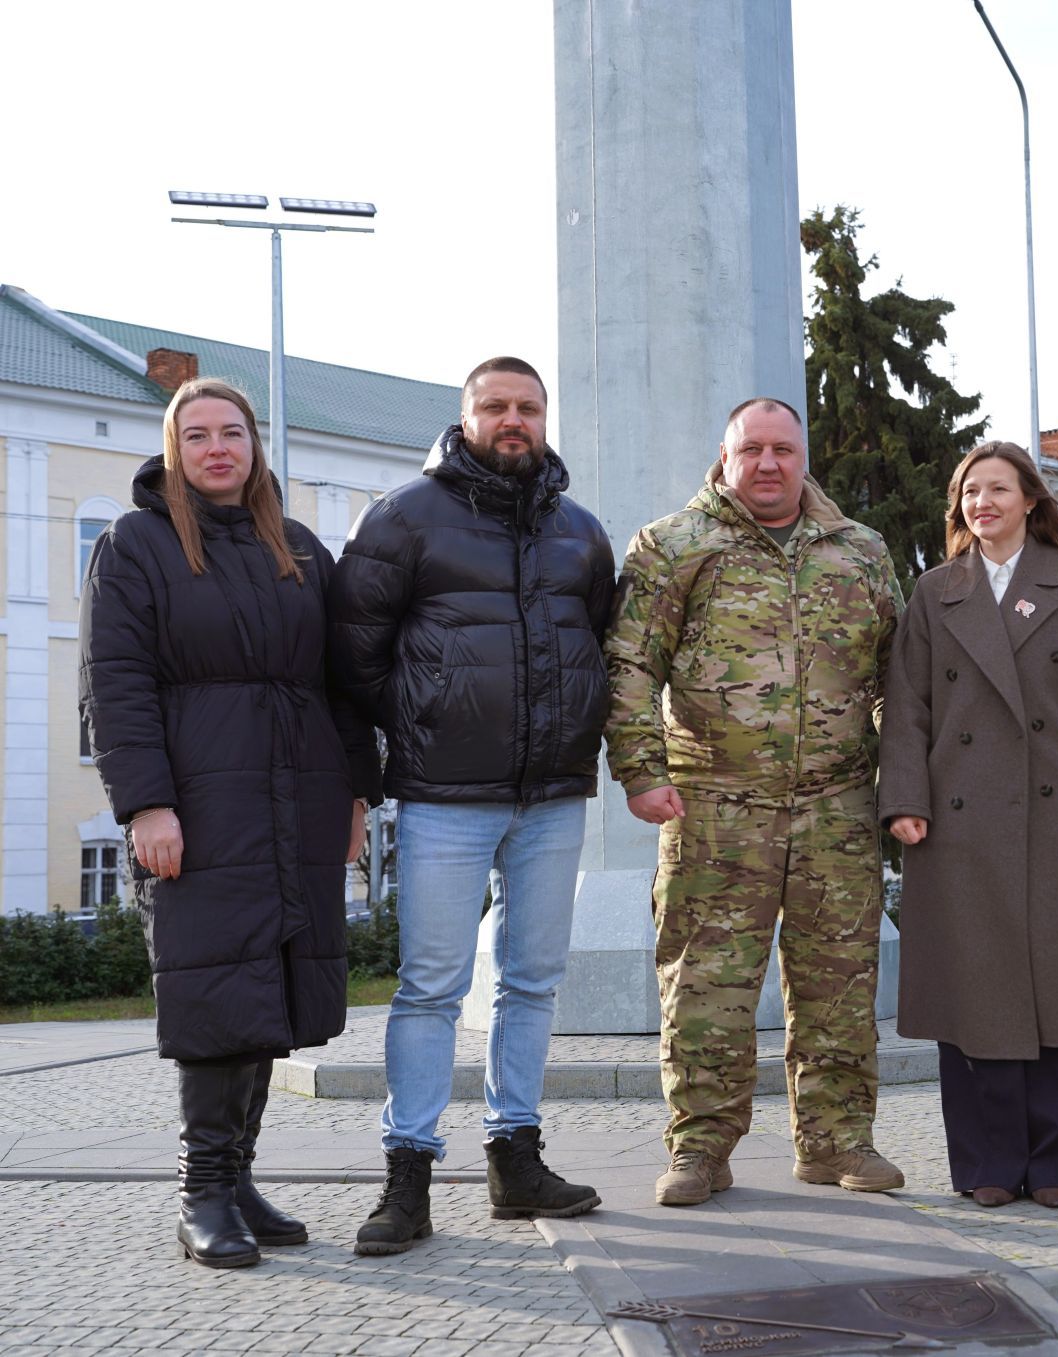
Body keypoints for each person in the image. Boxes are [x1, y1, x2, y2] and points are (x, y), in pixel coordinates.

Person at [80, 377, 381, 1268]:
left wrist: (357, 792)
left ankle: (240, 1179)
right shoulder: (136, 544)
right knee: (216, 992)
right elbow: (115, 680)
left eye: (233, 433)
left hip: (300, 794)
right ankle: (201, 1191)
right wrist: (145, 802)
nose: (218, 448)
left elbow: (341, 679)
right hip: (201, 803)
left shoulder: (293, 544)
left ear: (253, 445)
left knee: (268, 991)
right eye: (198, 434)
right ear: (175, 450)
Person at [328, 357, 614, 1254]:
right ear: (466, 418)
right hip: (444, 796)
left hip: (553, 795)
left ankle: (514, 1159)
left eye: (527, 407)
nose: (513, 420)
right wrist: (418, 728)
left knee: (531, 982)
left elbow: (599, 648)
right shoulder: (404, 517)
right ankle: (406, 1174)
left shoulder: (581, 531)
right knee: (430, 988)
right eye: (496, 406)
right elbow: (354, 658)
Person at [604, 396, 904, 1206]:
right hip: (712, 807)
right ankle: (701, 1148)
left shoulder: (860, 551)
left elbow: (895, 680)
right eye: (751, 450)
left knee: (839, 985)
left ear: (803, 457)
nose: (767, 464)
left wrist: (898, 784)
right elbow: (630, 664)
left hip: (836, 806)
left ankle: (837, 1141)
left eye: (783, 449)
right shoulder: (673, 546)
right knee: (706, 987)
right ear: (725, 457)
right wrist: (641, 770)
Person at [879, 441, 1058, 1208]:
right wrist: (905, 799)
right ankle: (989, 1163)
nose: (981, 503)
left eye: (997, 489)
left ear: (1031, 498)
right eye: (969, 491)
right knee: (975, 992)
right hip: (957, 822)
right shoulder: (935, 592)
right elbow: (908, 707)